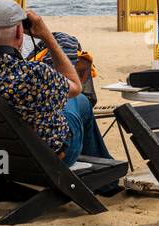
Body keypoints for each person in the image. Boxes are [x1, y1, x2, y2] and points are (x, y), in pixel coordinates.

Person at [0, 0, 82, 160]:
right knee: (79, 102)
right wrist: (47, 36)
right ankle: (105, 177)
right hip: (44, 160)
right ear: (20, 32)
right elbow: (76, 86)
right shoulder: (37, 73)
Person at [29, 32, 114, 163]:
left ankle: (104, 163)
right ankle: (104, 165)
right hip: (55, 155)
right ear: (18, 32)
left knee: (80, 101)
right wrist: (44, 34)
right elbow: (73, 88)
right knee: (80, 99)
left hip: (8, 157)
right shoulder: (36, 72)